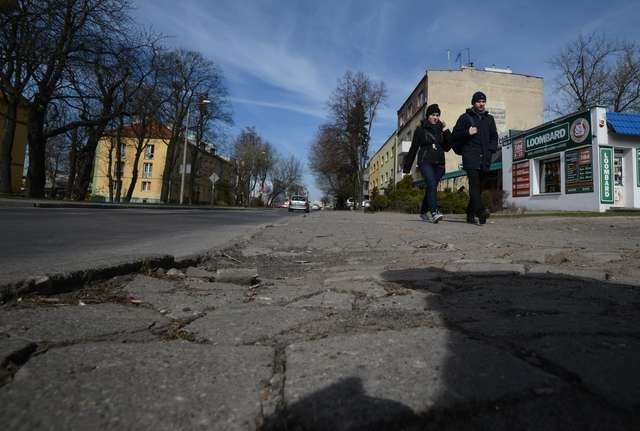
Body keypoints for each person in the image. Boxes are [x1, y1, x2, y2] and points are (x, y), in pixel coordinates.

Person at [452, 91, 498, 225]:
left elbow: (494, 137)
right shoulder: (465, 117)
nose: (481, 104)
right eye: (478, 101)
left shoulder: (489, 119)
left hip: (485, 157)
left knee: (479, 188)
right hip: (470, 156)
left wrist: (491, 150)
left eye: (483, 101)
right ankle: (480, 211)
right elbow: (455, 135)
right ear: (473, 102)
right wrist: (467, 132)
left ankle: (470, 214)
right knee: (474, 185)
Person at [402, 103, 452, 223]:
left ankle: (424, 211)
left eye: (437, 115)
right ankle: (434, 211)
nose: (436, 117)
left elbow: (447, 147)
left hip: (439, 163)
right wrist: (407, 167)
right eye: (433, 115)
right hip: (425, 161)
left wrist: (446, 131)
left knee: (432, 186)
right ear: (428, 116)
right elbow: (413, 148)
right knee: (431, 183)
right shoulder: (420, 130)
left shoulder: (441, 129)